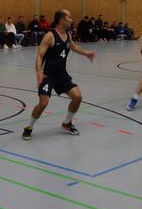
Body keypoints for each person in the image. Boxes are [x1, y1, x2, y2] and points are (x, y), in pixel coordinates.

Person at [22, 9, 96, 140]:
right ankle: (29, 127)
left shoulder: (68, 35)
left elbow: (73, 47)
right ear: (62, 20)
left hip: (62, 74)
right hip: (47, 75)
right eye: (69, 17)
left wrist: (86, 53)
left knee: (77, 97)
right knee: (43, 103)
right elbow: (39, 55)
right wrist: (38, 72)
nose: (71, 20)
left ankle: (66, 123)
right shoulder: (50, 36)